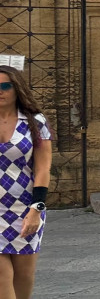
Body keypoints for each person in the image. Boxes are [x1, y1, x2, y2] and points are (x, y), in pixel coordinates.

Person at [0, 65, 51, 299]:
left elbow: (42, 169)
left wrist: (36, 208)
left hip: (25, 207)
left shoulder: (35, 122)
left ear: (16, 88)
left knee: (24, 276)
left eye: (4, 86)